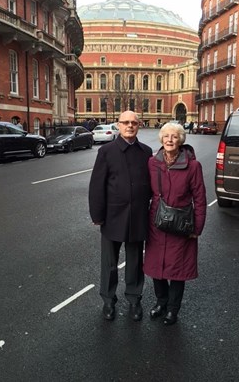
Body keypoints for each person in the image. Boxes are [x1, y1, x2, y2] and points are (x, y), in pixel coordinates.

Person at [89, 110, 152, 321]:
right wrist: (97, 215)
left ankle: (134, 300)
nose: (130, 126)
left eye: (134, 122)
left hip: (137, 216)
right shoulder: (106, 151)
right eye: (125, 122)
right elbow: (97, 185)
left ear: (139, 125)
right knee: (109, 263)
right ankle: (108, 300)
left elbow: (151, 184)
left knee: (135, 262)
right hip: (112, 215)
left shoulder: (146, 151)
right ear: (118, 125)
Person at [144, 122, 206, 325]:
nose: (170, 140)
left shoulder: (193, 166)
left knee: (177, 269)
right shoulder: (153, 163)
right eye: (166, 136)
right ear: (161, 139)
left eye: (175, 136)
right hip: (157, 221)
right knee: (156, 266)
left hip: (182, 223)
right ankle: (161, 302)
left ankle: (172, 309)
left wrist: (197, 228)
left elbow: (200, 198)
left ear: (181, 140)